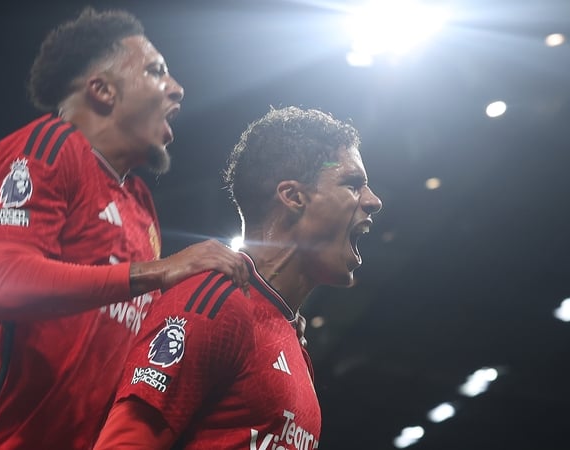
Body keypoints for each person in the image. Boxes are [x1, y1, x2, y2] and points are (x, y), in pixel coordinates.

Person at [0, 7, 251, 450]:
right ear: (103, 90)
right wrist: (160, 270)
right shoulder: (48, 145)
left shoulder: (141, 205)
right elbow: (4, 283)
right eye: (156, 71)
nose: (177, 88)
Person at [93, 106, 383, 449]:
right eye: (352, 185)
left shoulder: (292, 341)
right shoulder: (215, 303)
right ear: (294, 197)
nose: (373, 201)